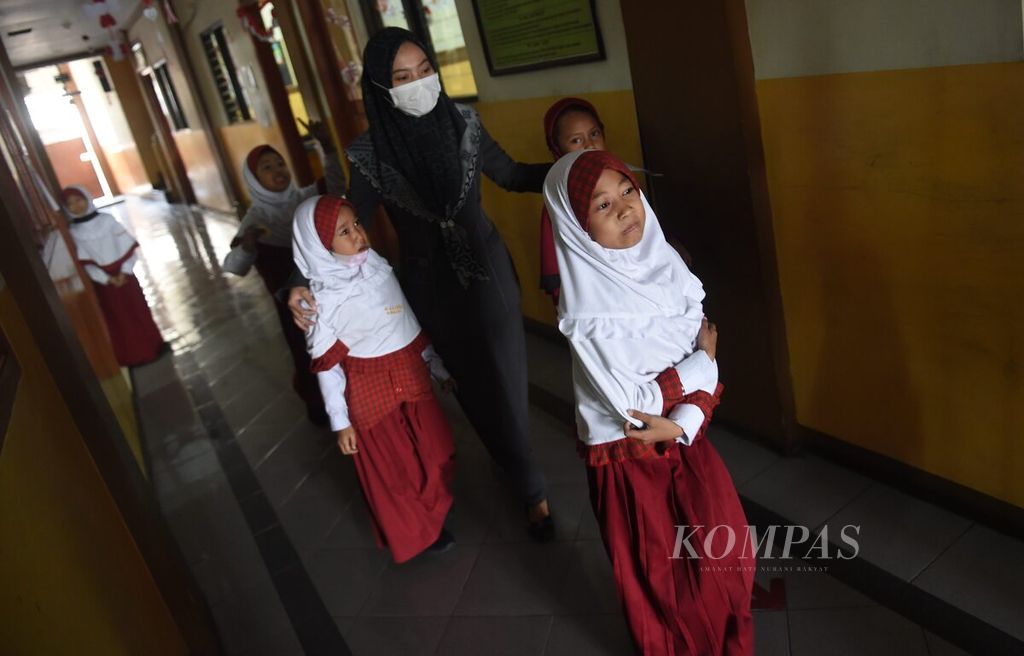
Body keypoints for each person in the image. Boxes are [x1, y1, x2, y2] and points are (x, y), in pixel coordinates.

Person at [287, 28, 554, 539]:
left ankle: (532, 488)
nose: (418, 84)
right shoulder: (370, 153)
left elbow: (516, 175)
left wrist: (575, 166)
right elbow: (346, 219)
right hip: (430, 289)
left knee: (507, 378)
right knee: (472, 388)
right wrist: (300, 280)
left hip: (487, 274)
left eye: (425, 71)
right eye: (402, 78)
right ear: (381, 89)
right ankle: (513, 467)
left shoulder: (466, 124)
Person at [544, 149, 754, 655]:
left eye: (627, 192)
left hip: (685, 438)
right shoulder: (589, 313)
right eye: (600, 206)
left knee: (727, 554)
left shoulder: (667, 268)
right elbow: (632, 404)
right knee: (664, 576)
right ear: (575, 227)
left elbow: (700, 351)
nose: (622, 209)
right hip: (631, 462)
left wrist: (684, 420)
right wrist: (700, 367)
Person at [294, 194, 456, 561]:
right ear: (320, 245)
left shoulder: (378, 266)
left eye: (357, 225)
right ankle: (420, 534)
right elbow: (328, 367)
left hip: (408, 375)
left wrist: (436, 366)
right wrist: (341, 422)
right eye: (343, 232)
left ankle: (431, 513)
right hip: (369, 393)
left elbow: (405, 323)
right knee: (396, 472)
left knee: (435, 451)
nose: (357, 235)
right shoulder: (321, 301)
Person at [222, 124, 345, 425]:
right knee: (309, 353)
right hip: (294, 307)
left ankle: (350, 398)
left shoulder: (304, 198)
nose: (277, 170)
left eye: (280, 164)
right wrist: (248, 245)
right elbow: (234, 266)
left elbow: (336, 184)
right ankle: (320, 406)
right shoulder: (255, 219)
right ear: (254, 179)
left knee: (341, 343)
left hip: (327, 292)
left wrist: (328, 148)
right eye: (266, 168)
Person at [61, 185, 165, 367]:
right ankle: (133, 356)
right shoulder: (74, 233)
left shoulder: (108, 220)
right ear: (66, 209)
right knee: (118, 318)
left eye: (79, 200)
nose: (76, 206)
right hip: (105, 284)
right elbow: (85, 263)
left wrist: (124, 271)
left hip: (126, 276)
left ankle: (154, 345)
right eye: (70, 204)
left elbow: (128, 248)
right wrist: (106, 279)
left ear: (87, 198)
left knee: (138, 309)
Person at [538, 97, 607, 304]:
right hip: (589, 296)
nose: (590, 145)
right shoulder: (559, 196)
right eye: (576, 140)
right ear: (557, 149)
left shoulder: (618, 177)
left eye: (594, 134)